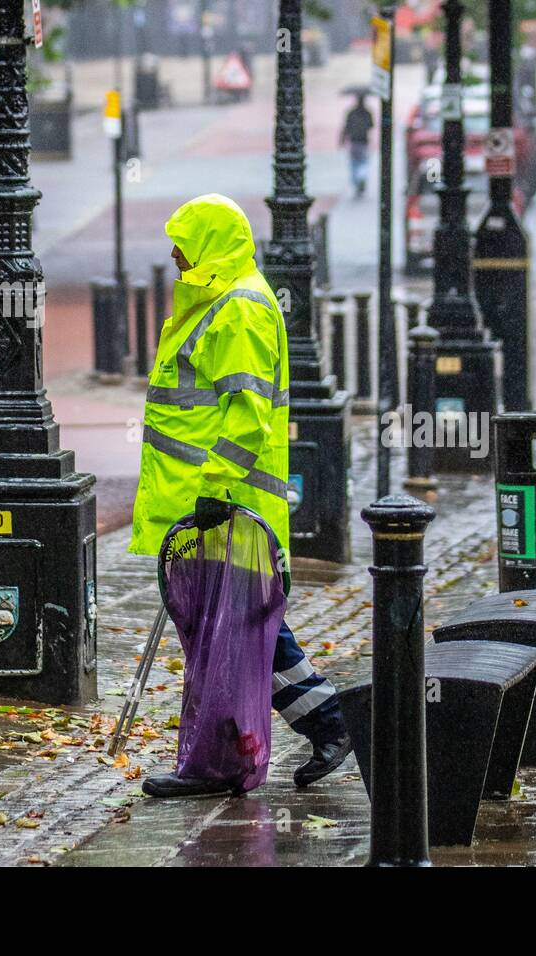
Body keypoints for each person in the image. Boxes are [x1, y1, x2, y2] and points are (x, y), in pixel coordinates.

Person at [128, 194, 352, 798]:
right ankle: (294, 732)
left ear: (210, 245)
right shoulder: (219, 302)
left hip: (226, 509)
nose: (174, 254)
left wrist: (217, 493)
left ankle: (243, 751)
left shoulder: (239, 309)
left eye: (183, 243)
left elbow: (247, 417)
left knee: (240, 633)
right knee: (235, 633)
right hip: (211, 508)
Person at [340, 94, 373, 198]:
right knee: (362, 162)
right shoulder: (367, 113)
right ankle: (361, 179)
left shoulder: (351, 113)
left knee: (355, 164)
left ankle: (357, 181)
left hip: (354, 141)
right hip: (363, 141)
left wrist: (342, 139)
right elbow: (371, 125)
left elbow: (346, 127)